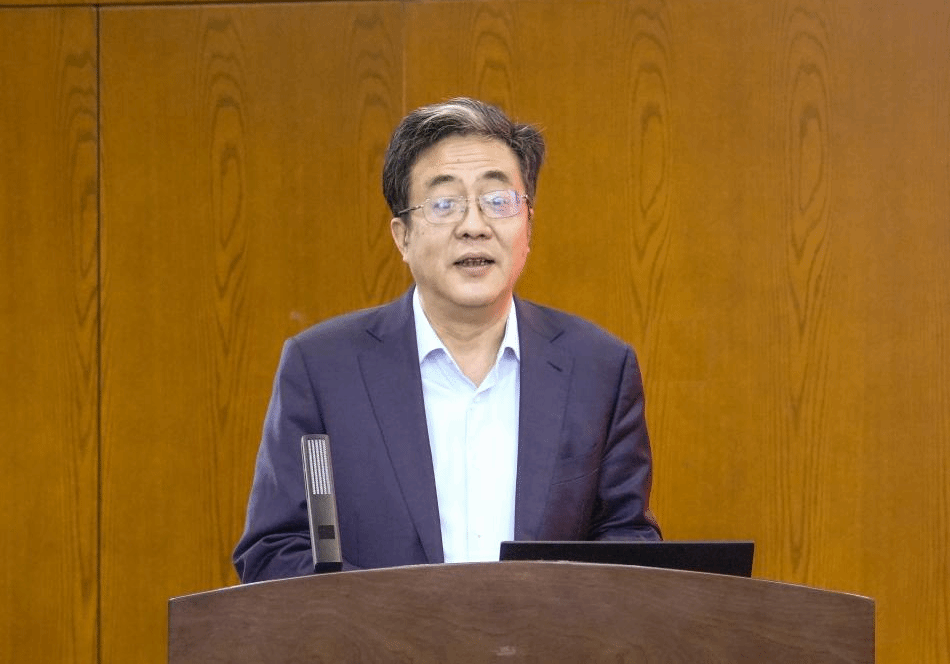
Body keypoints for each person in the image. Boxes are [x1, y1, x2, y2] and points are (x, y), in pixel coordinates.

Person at [233, 97, 660, 581]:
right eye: (444, 204)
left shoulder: (599, 369)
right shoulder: (322, 369)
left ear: (528, 225)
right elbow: (274, 551)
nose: (474, 226)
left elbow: (628, 543)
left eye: (498, 200)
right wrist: (406, 619)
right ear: (402, 236)